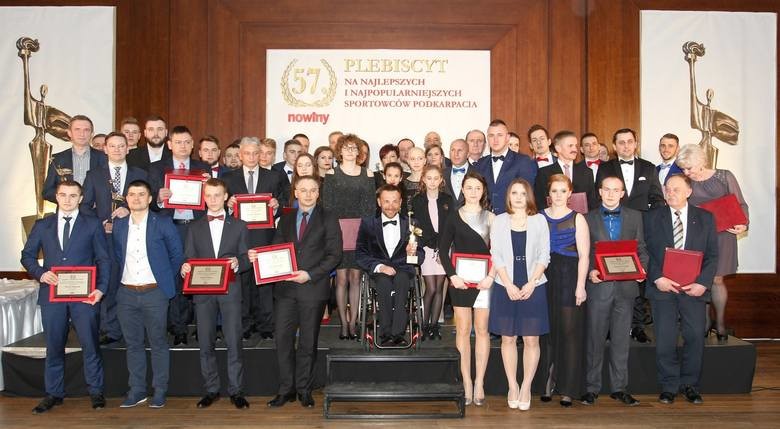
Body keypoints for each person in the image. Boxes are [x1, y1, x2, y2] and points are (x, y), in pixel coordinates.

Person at [21, 180, 110, 414]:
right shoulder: (43, 225)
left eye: (73, 195)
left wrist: (100, 289)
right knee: (54, 346)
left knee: (90, 345)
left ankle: (96, 391)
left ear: (81, 198)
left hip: (85, 296)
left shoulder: (92, 224)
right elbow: (27, 256)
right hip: (52, 295)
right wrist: (41, 274)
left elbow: (103, 259)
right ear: (56, 197)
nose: (67, 200)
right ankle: (53, 394)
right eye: (63, 195)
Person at [262, 176, 342, 408]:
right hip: (285, 291)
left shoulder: (329, 218)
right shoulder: (285, 218)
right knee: (283, 341)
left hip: (312, 289)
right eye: (303, 190)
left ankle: (304, 390)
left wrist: (310, 274)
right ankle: (285, 389)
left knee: (308, 342)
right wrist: (262, 258)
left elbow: (334, 255)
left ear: (318, 193)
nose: (308, 194)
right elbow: (276, 249)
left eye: (312, 190)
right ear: (295, 193)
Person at [644, 174, 718, 405]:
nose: (670, 193)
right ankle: (669, 386)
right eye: (667, 189)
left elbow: (712, 255)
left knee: (694, 337)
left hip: (694, 289)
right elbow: (644, 251)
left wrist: (702, 283)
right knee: (665, 339)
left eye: (676, 189)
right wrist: (657, 278)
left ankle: (690, 385)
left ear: (689, 191)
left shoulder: (705, 218)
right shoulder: (651, 218)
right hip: (662, 288)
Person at [112, 179, 184, 409]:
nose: (136, 198)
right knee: (133, 344)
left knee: (158, 342)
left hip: (155, 292)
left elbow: (177, 255)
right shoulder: (119, 225)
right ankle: (137, 390)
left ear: (150, 198)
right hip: (126, 293)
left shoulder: (162, 222)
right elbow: (117, 256)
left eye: (141, 194)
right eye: (132, 194)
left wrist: (164, 281)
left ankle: (160, 390)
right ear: (126, 198)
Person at [180, 179, 250, 409]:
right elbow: (189, 258)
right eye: (209, 195)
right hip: (203, 292)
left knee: (234, 341)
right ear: (203, 198)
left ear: (225, 196)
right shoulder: (194, 227)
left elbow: (246, 258)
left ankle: (236, 390)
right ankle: (211, 389)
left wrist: (238, 263)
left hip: (231, 290)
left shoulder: (239, 225)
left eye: (217, 195)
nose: (213, 199)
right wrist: (185, 268)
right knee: (205, 341)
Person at [581, 176, 648, 407]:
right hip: (598, 287)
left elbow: (641, 249)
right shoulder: (586, 218)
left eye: (615, 190)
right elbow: (583, 252)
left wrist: (642, 270)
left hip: (626, 289)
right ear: (600, 192)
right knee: (594, 340)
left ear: (622, 193)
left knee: (621, 341)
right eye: (606, 189)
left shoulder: (635, 216)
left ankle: (620, 388)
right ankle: (591, 388)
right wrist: (590, 271)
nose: (610, 194)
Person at [595, 128, 664, 343]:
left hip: (639, 230)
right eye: (621, 142)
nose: (626, 146)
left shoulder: (649, 167)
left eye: (629, 141)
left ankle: (637, 326)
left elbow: (657, 199)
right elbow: (599, 196)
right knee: (609, 276)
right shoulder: (605, 167)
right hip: (611, 227)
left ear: (636, 144)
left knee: (638, 278)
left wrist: (649, 225)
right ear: (614, 146)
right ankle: (609, 327)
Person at [80, 132, 148, 345]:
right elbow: (84, 205)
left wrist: (128, 208)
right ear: (105, 149)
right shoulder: (94, 175)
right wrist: (99, 224)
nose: (117, 150)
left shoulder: (140, 174)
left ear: (128, 148)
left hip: (134, 235)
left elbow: (150, 201)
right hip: (105, 236)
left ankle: (134, 328)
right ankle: (110, 329)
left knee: (132, 281)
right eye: (113, 146)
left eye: (121, 146)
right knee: (108, 281)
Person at [489, 178, 550, 410]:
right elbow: (496, 254)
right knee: (508, 338)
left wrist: (532, 283)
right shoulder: (499, 220)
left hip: (534, 284)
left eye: (522, 193)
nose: (518, 197)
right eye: (514, 193)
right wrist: (508, 284)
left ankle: (526, 387)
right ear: (508, 196)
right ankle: (512, 386)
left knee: (532, 339)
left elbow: (544, 255)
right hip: (505, 285)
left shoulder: (539, 220)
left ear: (529, 196)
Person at [676, 143, 748, 341]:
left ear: (701, 161)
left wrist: (743, 223)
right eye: (683, 168)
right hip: (698, 236)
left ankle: (721, 323)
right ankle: (706, 322)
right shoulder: (684, 181)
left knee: (717, 279)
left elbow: (741, 203)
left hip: (723, 236)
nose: (686, 172)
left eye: (689, 168)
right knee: (701, 279)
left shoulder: (724, 176)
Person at [148, 125, 211, 345]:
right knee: (174, 277)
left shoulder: (203, 168)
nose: (183, 146)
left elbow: (214, 199)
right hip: (170, 228)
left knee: (198, 276)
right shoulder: (157, 169)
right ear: (169, 144)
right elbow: (150, 203)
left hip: (196, 228)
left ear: (193, 145)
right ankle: (178, 328)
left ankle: (200, 325)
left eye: (187, 142)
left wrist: (208, 188)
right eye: (178, 142)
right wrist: (158, 198)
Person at [223, 136, 288, 340]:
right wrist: (228, 206)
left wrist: (277, 206)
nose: (251, 157)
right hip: (238, 239)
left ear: (260, 155)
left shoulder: (274, 177)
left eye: (255, 153)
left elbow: (284, 203)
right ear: (240, 155)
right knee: (242, 284)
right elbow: (219, 206)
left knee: (265, 285)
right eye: (247, 153)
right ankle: (244, 325)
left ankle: (266, 326)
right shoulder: (229, 178)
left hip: (265, 237)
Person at [438, 171, 495, 406]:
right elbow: (443, 250)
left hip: (485, 283)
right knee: (462, 330)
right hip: (460, 281)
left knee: (482, 330)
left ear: (483, 191)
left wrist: (491, 277)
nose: (473, 192)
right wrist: (453, 276)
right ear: (462, 189)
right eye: (469, 187)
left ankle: (479, 382)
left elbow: (499, 252)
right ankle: (466, 382)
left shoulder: (492, 218)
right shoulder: (453, 217)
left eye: (477, 188)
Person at [540, 174, 589, 407]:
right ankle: (547, 382)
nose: (558, 195)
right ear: (548, 194)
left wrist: (581, 286)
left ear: (570, 193)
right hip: (543, 278)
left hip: (569, 278)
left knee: (569, 333)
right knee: (546, 332)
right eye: (554, 191)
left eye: (563, 191)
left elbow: (585, 256)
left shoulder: (578, 219)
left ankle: (568, 388)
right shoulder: (538, 217)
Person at [322, 134, 375, 340]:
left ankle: (354, 323)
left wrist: (365, 232)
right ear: (340, 151)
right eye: (347, 148)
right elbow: (327, 206)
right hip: (338, 231)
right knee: (341, 279)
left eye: (354, 148)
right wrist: (334, 231)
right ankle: (343, 324)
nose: (351, 151)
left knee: (356, 278)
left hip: (360, 231)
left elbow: (370, 207)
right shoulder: (331, 174)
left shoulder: (368, 174)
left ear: (359, 152)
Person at [355, 184, 422, 346]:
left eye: (394, 201)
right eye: (386, 201)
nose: (390, 206)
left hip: (403, 268)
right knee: (384, 282)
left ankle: (397, 333)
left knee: (402, 280)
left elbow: (420, 255)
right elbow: (360, 254)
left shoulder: (412, 223)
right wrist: (380, 267)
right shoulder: (368, 224)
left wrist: (412, 254)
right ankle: (386, 333)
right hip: (380, 270)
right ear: (379, 202)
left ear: (400, 202)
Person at [411, 165, 452, 339]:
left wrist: (442, 248)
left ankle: (434, 326)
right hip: (426, 248)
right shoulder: (417, 200)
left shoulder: (447, 199)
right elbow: (416, 226)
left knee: (439, 288)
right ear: (423, 179)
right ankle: (423, 324)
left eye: (436, 178)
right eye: (429, 178)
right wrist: (429, 243)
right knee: (431, 288)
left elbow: (449, 226)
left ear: (441, 179)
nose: (433, 182)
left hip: (443, 248)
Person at [473, 119, 537, 214]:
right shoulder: (480, 164)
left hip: (513, 218)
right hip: (485, 219)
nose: (495, 140)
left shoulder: (523, 161)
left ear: (507, 138)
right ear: (487, 138)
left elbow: (527, 194)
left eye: (500, 135)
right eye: (491, 135)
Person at [43, 115, 108, 202]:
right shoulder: (57, 159)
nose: (82, 134)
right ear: (69, 133)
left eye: (86, 130)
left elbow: (111, 189)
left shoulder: (104, 158)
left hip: (95, 210)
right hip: (66, 209)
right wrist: (67, 198)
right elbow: (47, 191)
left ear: (92, 134)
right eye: (77, 129)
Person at [534, 130, 597, 211]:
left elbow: (592, 203)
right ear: (558, 148)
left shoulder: (587, 172)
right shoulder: (543, 173)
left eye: (575, 146)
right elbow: (540, 203)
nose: (575, 149)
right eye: (570, 146)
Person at [443, 138, 471, 205]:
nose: (456, 154)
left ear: (468, 154)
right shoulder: (441, 174)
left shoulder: (478, 173)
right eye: (453, 150)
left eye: (460, 150)